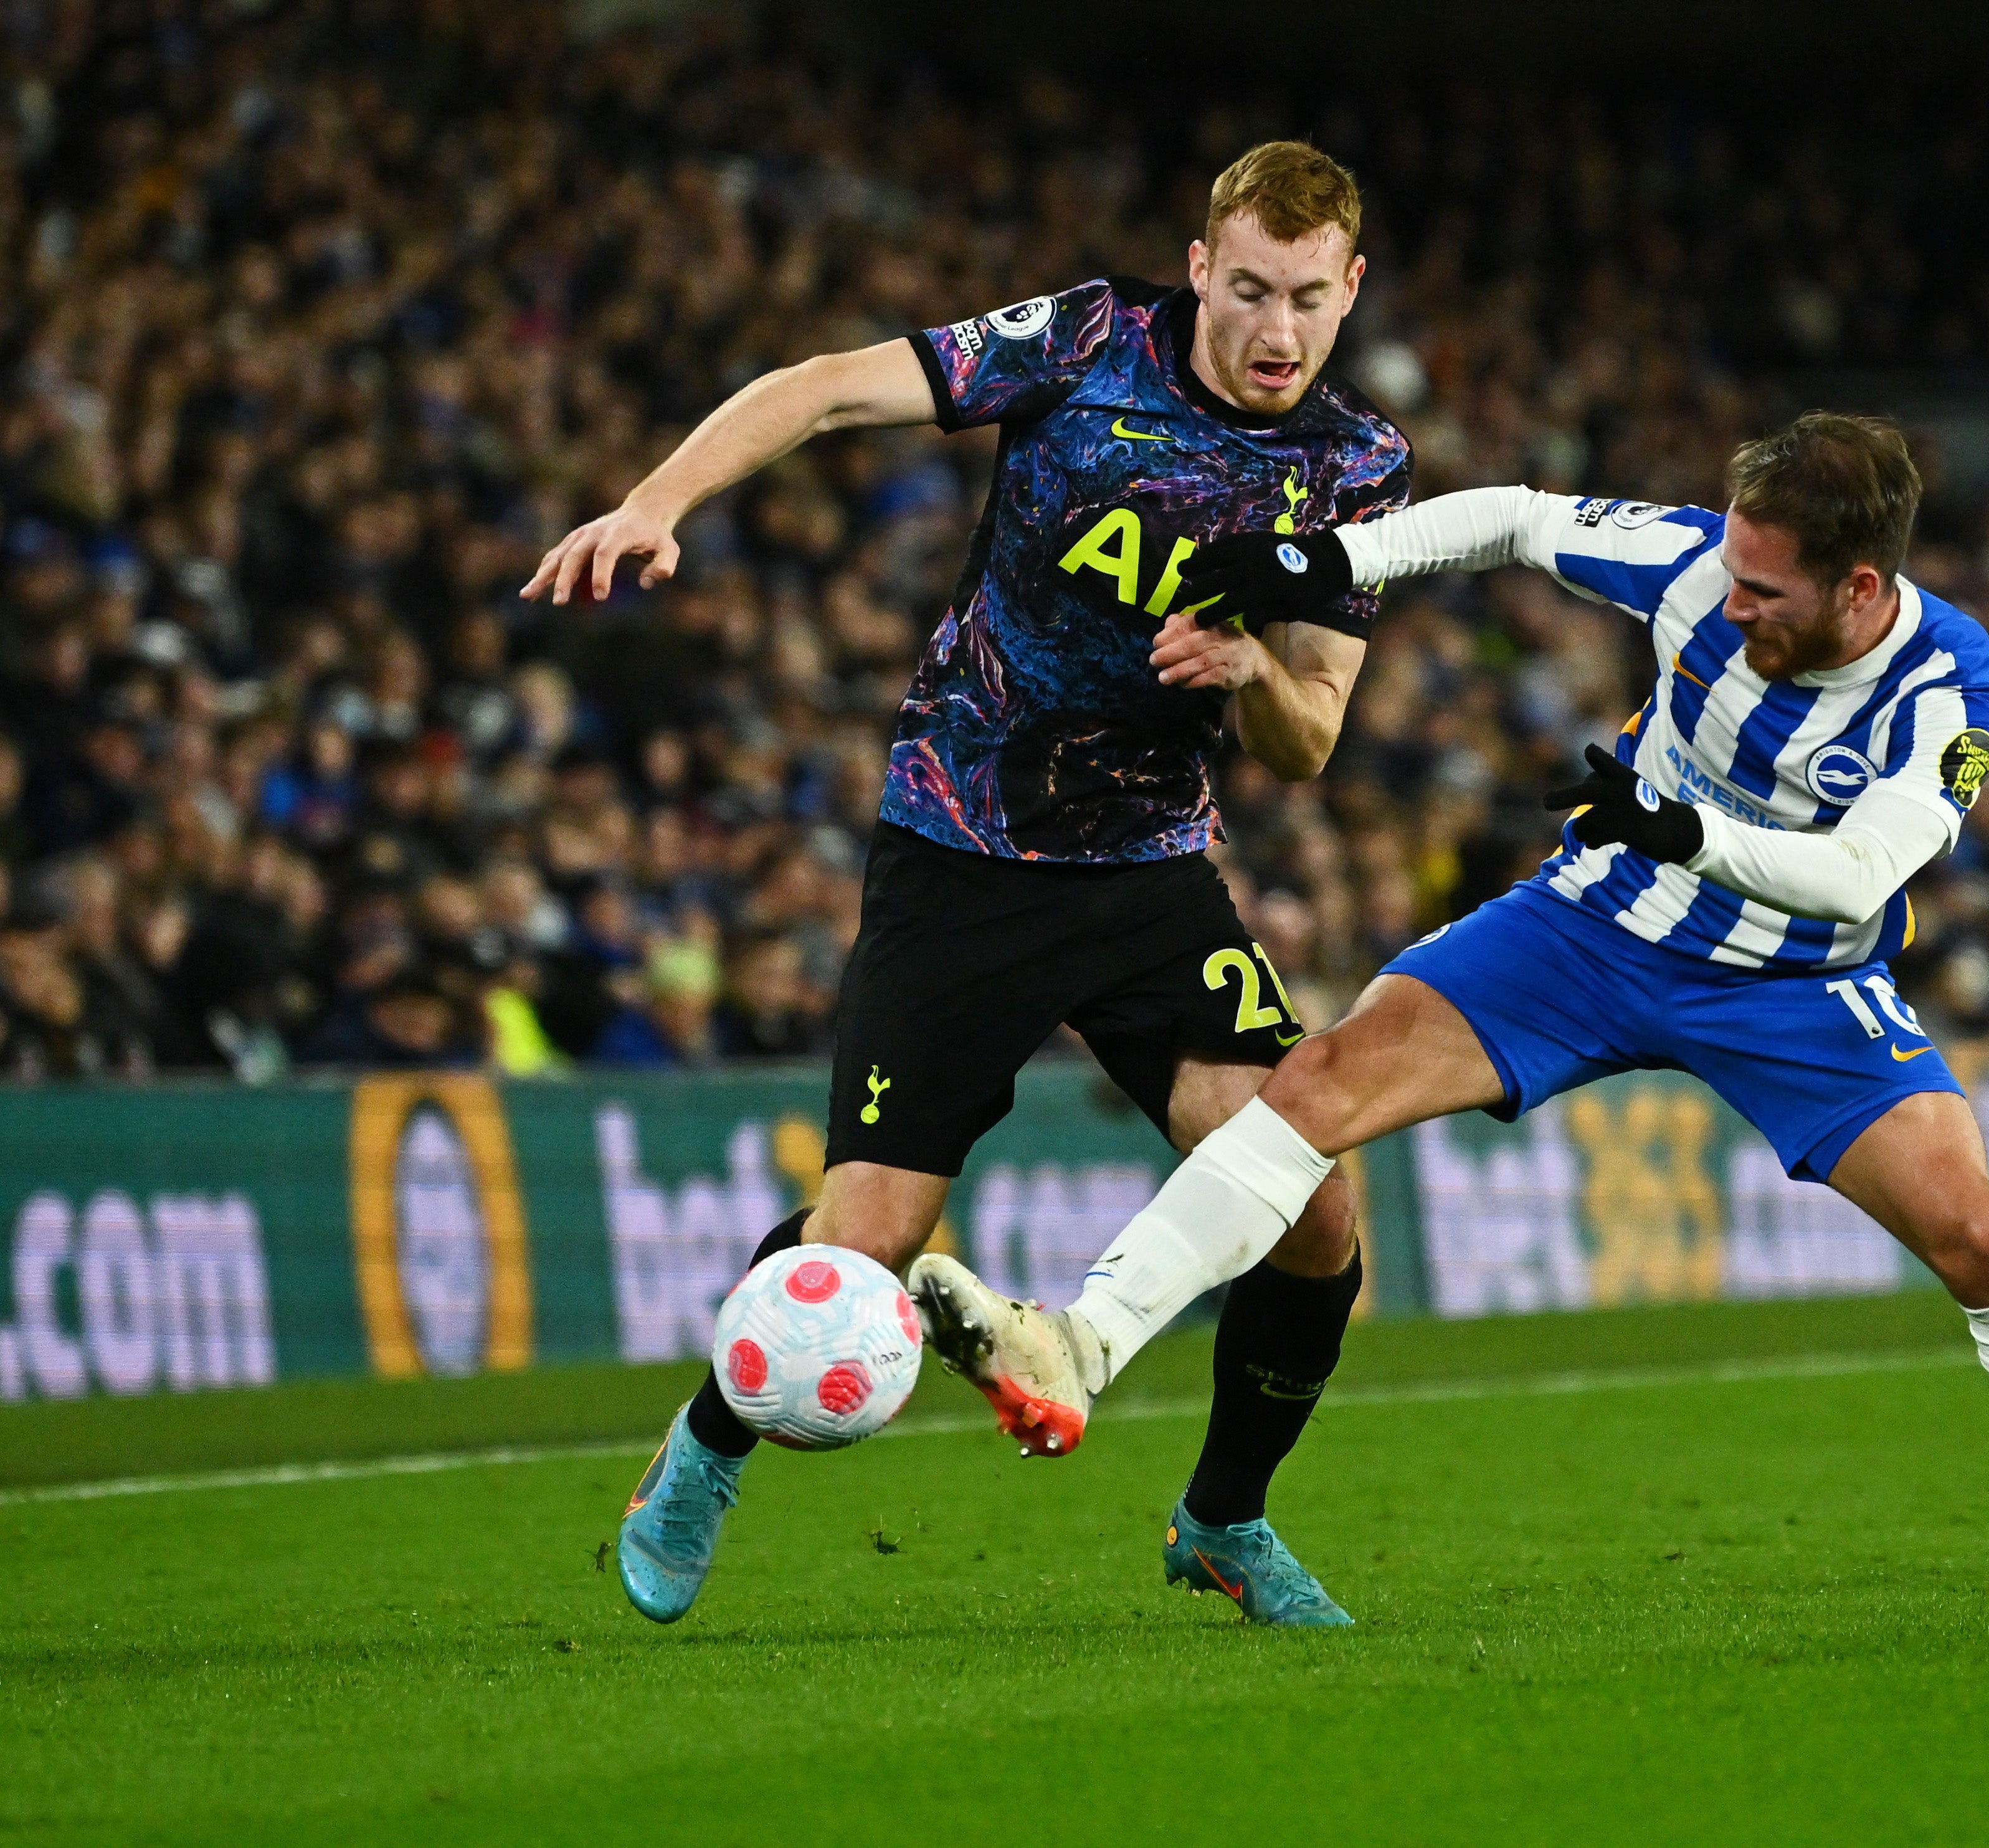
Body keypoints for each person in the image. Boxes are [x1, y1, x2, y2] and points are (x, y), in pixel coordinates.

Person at [914, 414, 1989, 1619]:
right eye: (1728, 570)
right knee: (1317, 1082)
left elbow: (1857, 873)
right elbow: (1513, 515)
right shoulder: (1689, 569)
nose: (1732, 603)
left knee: (1980, 1237)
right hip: (1591, 924)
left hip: (1792, 980)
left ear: (1859, 586)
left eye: (1764, 591)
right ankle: (1080, 1341)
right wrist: (1335, 561)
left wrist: (1688, 832)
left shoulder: (1950, 689)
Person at [521, 141, 1410, 1627]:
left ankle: (1224, 1520)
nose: (1275, 330)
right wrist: (652, 502)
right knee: (863, 1232)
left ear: (1351, 291)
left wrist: (1254, 666)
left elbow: (1310, 735)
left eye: (1307, 300)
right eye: (1249, 288)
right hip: (962, 846)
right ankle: (701, 1451)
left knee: (1311, 1201)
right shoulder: (1080, 345)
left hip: (1149, 870)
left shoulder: (1356, 465)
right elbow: (819, 386)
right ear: (1198, 266)